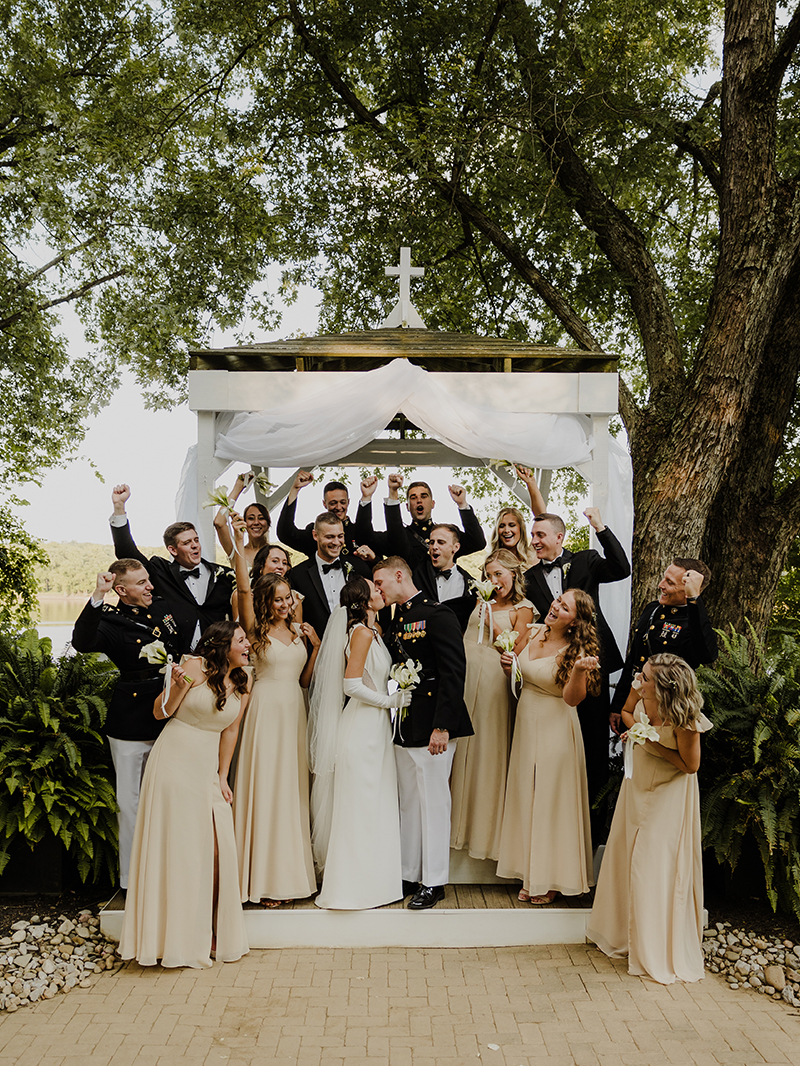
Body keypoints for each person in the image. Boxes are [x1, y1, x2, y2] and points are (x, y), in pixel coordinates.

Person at [119, 621, 251, 968]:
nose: (247, 645)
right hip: (174, 761)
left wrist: (222, 776)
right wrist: (177, 687)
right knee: (180, 849)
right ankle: (175, 936)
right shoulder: (193, 666)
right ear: (222, 645)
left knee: (218, 849)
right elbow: (160, 712)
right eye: (241, 640)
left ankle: (210, 927)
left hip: (207, 768)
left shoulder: (243, 680)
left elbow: (231, 731)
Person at [587, 654, 712, 984]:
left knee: (650, 864)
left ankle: (654, 945)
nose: (637, 681)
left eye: (644, 678)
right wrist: (636, 731)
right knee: (626, 854)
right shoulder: (639, 690)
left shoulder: (685, 718)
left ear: (664, 687)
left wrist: (651, 742)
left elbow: (690, 766)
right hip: (638, 784)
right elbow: (628, 713)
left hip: (669, 791)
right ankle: (623, 934)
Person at [71, 561, 179, 893]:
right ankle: (133, 880)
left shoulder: (160, 609)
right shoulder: (110, 621)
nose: (150, 586)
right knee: (130, 803)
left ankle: (169, 869)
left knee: (169, 797)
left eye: (148, 580)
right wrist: (98, 595)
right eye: (142, 583)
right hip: (131, 720)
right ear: (122, 590)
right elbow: (82, 642)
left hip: (170, 715)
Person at [373, 557, 474, 910]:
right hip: (406, 722)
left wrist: (442, 726)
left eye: (380, 582)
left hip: (433, 723)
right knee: (410, 803)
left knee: (433, 803)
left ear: (399, 575)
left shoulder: (437, 614)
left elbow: (453, 672)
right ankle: (408, 872)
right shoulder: (397, 618)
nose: (378, 589)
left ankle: (434, 880)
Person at [525, 507, 631, 844]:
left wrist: (600, 527)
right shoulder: (529, 577)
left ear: (559, 537)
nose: (534, 540)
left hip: (592, 665)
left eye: (540, 535)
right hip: (555, 674)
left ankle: (592, 832)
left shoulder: (585, 560)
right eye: (533, 535)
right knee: (559, 750)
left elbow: (621, 568)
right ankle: (556, 828)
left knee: (593, 747)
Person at [230, 520, 321, 906]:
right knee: (267, 789)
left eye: (288, 598)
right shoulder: (255, 631)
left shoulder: (299, 631)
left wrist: (315, 648)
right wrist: (237, 544)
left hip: (294, 712)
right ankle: (263, 881)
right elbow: (243, 589)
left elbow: (304, 681)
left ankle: (289, 875)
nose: (286, 604)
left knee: (292, 792)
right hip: (265, 714)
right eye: (279, 600)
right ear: (266, 601)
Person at [310, 577, 409, 910]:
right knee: (360, 806)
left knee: (374, 804)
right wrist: (390, 701)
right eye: (375, 589)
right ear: (364, 600)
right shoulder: (361, 633)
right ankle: (352, 888)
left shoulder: (374, 630)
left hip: (375, 727)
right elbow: (351, 685)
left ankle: (377, 884)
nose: (381, 591)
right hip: (362, 727)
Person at [497, 589, 600, 904]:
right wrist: (509, 665)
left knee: (550, 800)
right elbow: (520, 673)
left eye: (564, 607)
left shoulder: (578, 651)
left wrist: (579, 671)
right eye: (558, 600)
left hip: (556, 726)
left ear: (575, 621)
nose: (555, 606)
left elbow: (572, 699)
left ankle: (551, 877)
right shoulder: (534, 632)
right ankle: (530, 871)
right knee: (526, 795)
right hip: (526, 722)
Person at [450, 549, 535, 861]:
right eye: (488, 575)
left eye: (499, 574)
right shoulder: (478, 601)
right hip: (466, 676)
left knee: (486, 749)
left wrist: (493, 622)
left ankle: (483, 835)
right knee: (460, 748)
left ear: (514, 574)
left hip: (494, 682)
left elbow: (516, 651)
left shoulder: (524, 609)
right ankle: (451, 829)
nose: (493, 580)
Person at [109, 483, 235, 654]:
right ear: (173, 550)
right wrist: (119, 507)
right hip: (177, 658)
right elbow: (126, 552)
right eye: (187, 543)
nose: (195, 546)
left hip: (217, 656)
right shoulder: (160, 572)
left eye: (196, 540)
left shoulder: (224, 575)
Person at [611, 559, 717, 724]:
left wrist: (694, 599)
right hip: (634, 702)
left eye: (670, 582)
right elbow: (634, 658)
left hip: (666, 710)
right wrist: (618, 705)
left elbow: (707, 655)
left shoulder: (694, 623)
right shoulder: (652, 609)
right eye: (664, 578)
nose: (661, 585)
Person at [365, 474, 486, 571]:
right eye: (413, 497)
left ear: (433, 504)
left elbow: (477, 542)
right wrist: (388, 493)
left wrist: (462, 504)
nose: (419, 500)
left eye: (424, 496)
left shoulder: (447, 534)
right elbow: (365, 537)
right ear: (407, 507)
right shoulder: (396, 536)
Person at [287, 512, 372, 637]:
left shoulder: (359, 568)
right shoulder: (297, 575)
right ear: (315, 535)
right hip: (317, 645)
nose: (336, 542)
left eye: (340, 536)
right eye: (330, 537)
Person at [277, 470, 372, 558]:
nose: (339, 507)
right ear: (324, 504)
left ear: (348, 502)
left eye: (342, 502)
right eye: (333, 503)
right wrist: (295, 489)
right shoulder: (315, 532)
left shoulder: (358, 531)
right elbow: (285, 533)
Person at [412, 524, 477, 633]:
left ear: (456, 547)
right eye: (431, 542)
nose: (434, 547)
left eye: (441, 542)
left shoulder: (470, 584)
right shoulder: (418, 575)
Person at [213, 471, 271, 569]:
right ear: (244, 523)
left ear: (268, 523)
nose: (256, 522)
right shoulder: (236, 551)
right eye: (251, 518)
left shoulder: (276, 553)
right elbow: (219, 522)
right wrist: (238, 487)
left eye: (261, 518)